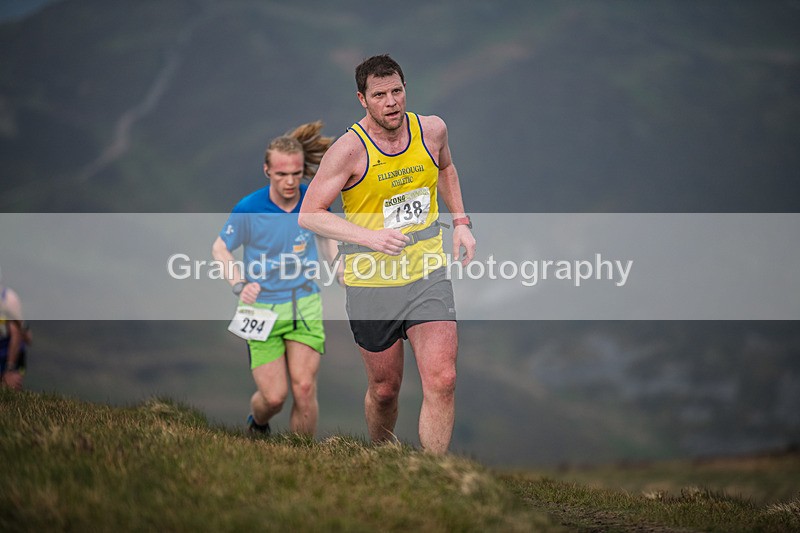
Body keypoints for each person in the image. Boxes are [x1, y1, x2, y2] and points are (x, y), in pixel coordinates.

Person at [299, 54, 476, 454]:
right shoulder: (348, 151)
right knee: (384, 390)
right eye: (380, 95)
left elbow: (445, 168)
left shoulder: (431, 130)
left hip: (427, 270)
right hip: (371, 280)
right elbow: (310, 215)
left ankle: (432, 480)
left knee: (443, 379)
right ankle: (383, 459)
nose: (392, 102)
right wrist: (370, 237)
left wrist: (461, 222)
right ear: (362, 99)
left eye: (397, 91)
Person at [212, 122, 339, 437]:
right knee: (274, 398)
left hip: (304, 302)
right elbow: (220, 249)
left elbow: (326, 241)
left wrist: (340, 269)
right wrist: (240, 285)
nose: (290, 181)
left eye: (296, 173)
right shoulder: (249, 208)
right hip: (261, 309)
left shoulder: (312, 200)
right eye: (282, 174)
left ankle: (301, 463)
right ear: (267, 170)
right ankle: (258, 424)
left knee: (305, 387)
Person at [0, 270, 30, 391]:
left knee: (9, 391)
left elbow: (17, 336)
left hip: (11, 356)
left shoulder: (8, 299)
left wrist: (10, 369)